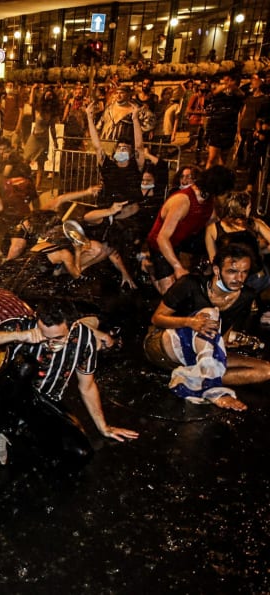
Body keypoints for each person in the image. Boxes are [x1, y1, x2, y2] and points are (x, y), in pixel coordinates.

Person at [0, 301, 139, 466]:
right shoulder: (24, 325)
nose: (49, 342)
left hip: (46, 400)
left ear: (72, 327)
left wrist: (104, 427)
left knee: (80, 453)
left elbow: (87, 386)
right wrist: (19, 335)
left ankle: (16, 420)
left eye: (57, 338)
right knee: (24, 365)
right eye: (43, 334)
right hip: (10, 389)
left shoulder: (84, 340)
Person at [145, 243, 270, 410]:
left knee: (266, 370)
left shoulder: (247, 296)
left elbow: (223, 336)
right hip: (162, 346)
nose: (239, 278)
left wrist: (230, 343)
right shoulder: (190, 284)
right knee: (209, 314)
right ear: (217, 270)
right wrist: (190, 322)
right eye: (232, 271)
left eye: (244, 272)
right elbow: (157, 319)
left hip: (202, 352)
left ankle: (194, 378)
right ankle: (213, 391)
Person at [147, 165, 235, 294]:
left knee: (217, 239)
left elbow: (213, 223)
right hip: (161, 243)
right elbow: (162, 238)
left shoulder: (208, 198)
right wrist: (178, 267)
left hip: (184, 239)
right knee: (168, 291)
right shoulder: (183, 201)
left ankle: (205, 274)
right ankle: (148, 266)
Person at [203, 73, 244, 170]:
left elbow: (242, 95)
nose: (227, 82)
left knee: (223, 159)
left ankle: (219, 179)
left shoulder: (236, 96)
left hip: (229, 128)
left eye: (229, 80)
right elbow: (214, 93)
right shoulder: (219, 93)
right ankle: (206, 177)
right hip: (216, 127)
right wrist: (225, 86)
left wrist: (233, 87)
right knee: (212, 157)